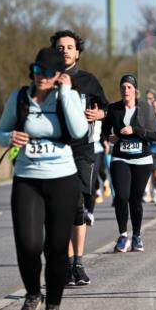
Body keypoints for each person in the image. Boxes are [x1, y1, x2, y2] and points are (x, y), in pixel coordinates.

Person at [0, 47, 87, 310]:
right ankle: (33, 295)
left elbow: (79, 131)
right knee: (28, 244)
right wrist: (10, 136)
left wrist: (67, 93)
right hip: (27, 179)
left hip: (63, 179)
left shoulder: (66, 98)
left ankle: (54, 306)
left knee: (57, 248)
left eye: (48, 72)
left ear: (59, 75)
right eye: (37, 70)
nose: (41, 77)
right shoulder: (19, 98)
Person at [50, 30, 108, 288]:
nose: (65, 51)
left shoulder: (88, 80)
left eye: (69, 47)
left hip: (83, 150)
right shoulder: (46, 81)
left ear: (77, 52)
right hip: (56, 151)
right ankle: (67, 265)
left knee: (77, 207)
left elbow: (105, 108)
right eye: (60, 47)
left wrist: (100, 114)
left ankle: (78, 264)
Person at [103, 75, 156, 251]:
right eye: (123, 87)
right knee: (121, 196)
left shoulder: (146, 109)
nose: (125, 90)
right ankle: (122, 236)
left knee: (135, 199)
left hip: (142, 159)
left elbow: (154, 135)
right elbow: (104, 131)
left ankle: (137, 236)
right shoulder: (114, 109)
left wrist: (135, 130)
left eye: (129, 87)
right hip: (120, 158)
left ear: (135, 90)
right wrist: (108, 138)